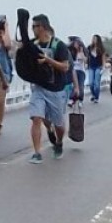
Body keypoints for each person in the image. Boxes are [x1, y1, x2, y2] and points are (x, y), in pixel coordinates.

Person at [28, 14, 72, 164]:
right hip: (38, 88)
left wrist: (48, 60)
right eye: (32, 26)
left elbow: (65, 67)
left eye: (35, 26)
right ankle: (37, 153)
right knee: (36, 118)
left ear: (43, 27)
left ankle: (59, 142)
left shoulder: (58, 45)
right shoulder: (32, 44)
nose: (33, 29)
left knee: (59, 124)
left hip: (56, 90)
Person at [67, 38, 87, 108]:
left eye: (77, 44)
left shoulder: (82, 53)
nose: (75, 45)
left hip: (81, 71)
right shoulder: (71, 53)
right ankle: (72, 99)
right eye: (75, 44)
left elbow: (85, 60)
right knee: (74, 86)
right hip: (74, 71)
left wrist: (81, 52)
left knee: (81, 86)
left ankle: (80, 100)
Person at [87, 34, 106, 102]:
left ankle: (96, 97)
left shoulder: (101, 48)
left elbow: (103, 58)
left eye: (95, 39)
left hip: (98, 67)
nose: (93, 40)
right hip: (91, 67)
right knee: (91, 83)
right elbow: (87, 56)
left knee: (96, 84)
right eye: (93, 39)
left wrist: (103, 67)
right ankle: (93, 94)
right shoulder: (89, 47)